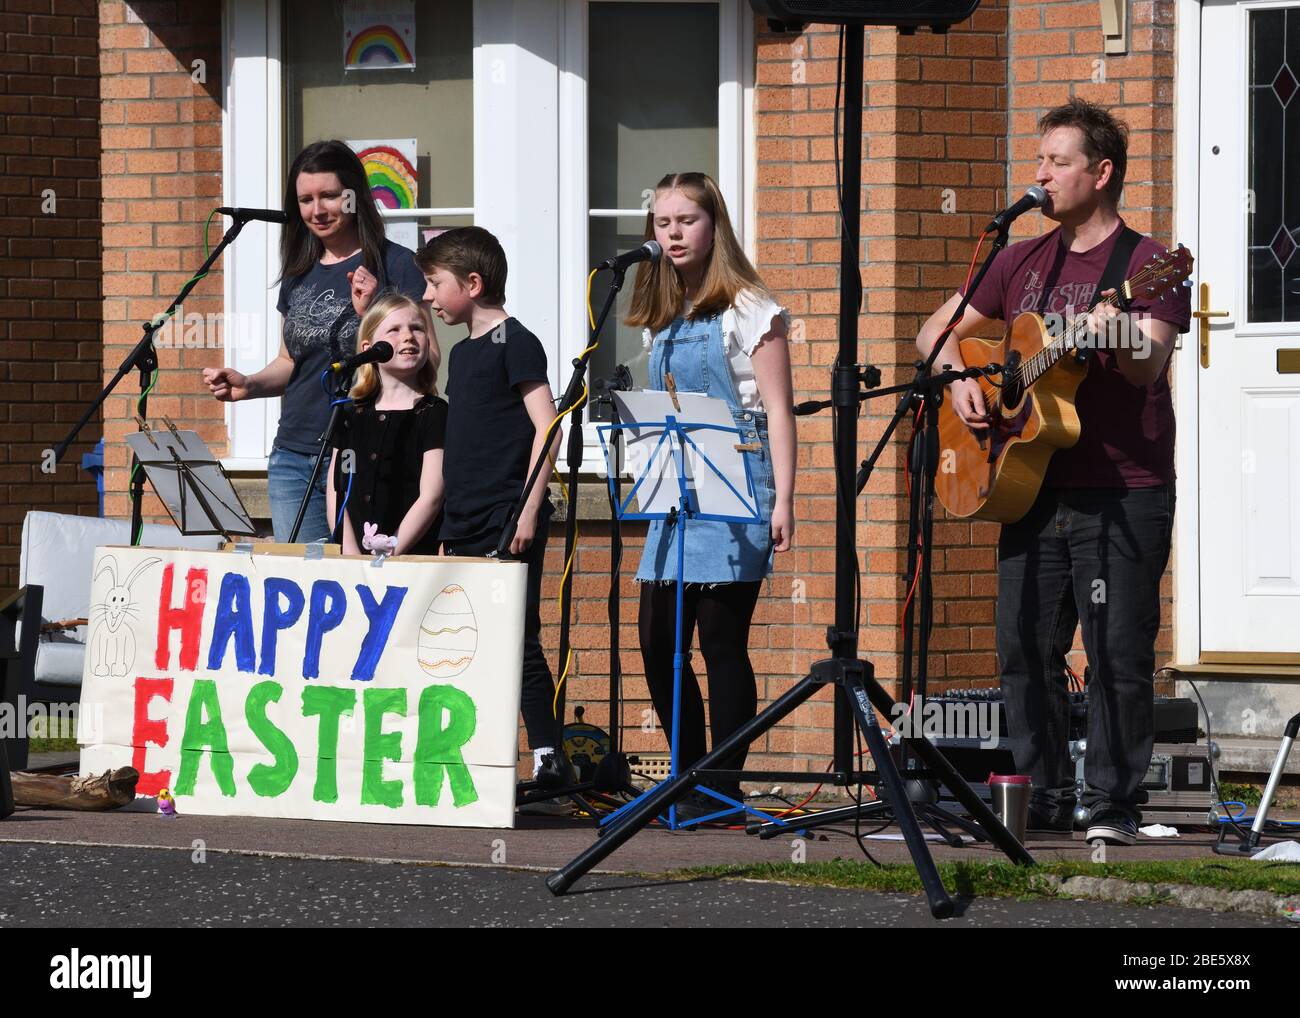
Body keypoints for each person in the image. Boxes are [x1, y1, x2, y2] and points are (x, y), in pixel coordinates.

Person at [914, 98, 1191, 845]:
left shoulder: (1149, 264)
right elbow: (933, 327)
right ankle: (1038, 795)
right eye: (1039, 162)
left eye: (1057, 162)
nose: (1039, 176)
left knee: (1116, 653)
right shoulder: (1019, 260)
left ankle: (1113, 804)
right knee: (1023, 647)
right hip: (1027, 483)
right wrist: (955, 379)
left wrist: (1119, 334)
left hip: (1122, 488)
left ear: (1102, 173)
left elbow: (1151, 362)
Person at [626, 171, 796, 821]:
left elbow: (779, 411)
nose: (672, 233)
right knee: (655, 638)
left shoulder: (751, 307)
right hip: (677, 478)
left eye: (685, 221)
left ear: (713, 226)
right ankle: (687, 772)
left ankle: (722, 785)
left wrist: (782, 500)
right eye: (662, 223)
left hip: (739, 477)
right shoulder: (662, 313)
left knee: (722, 642)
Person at [202, 140, 427, 542]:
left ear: (353, 197)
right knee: (303, 580)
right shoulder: (299, 272)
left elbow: (424, 360)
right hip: (293, 454)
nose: (316, 210)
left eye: (327, 196)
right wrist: (250, 384)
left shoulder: (396, 265)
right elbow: (291, 362)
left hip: (365, 450)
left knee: (361, 578)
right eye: (305, 199)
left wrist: (373, 309)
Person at [415, 226, 567, 786]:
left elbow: (546, 427)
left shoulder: (516, 342)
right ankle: (484, 758)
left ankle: (550, 757)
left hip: (508, 514)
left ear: (472, 283)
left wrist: (526, 511)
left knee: (516, 638)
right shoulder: (463, 351)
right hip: (467, 517)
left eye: (435, 284)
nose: (428, 297)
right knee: (471, 642)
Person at [326, 293, 446, 557]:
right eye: (394, 329)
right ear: (369, 347)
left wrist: (393, 549)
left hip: (411, 557)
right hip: (355, 558)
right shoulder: (350, 413)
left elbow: (431, 496)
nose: (408, 336)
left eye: (417, 328)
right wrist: (350, 552)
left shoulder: (433, 412)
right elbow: (337, 490)